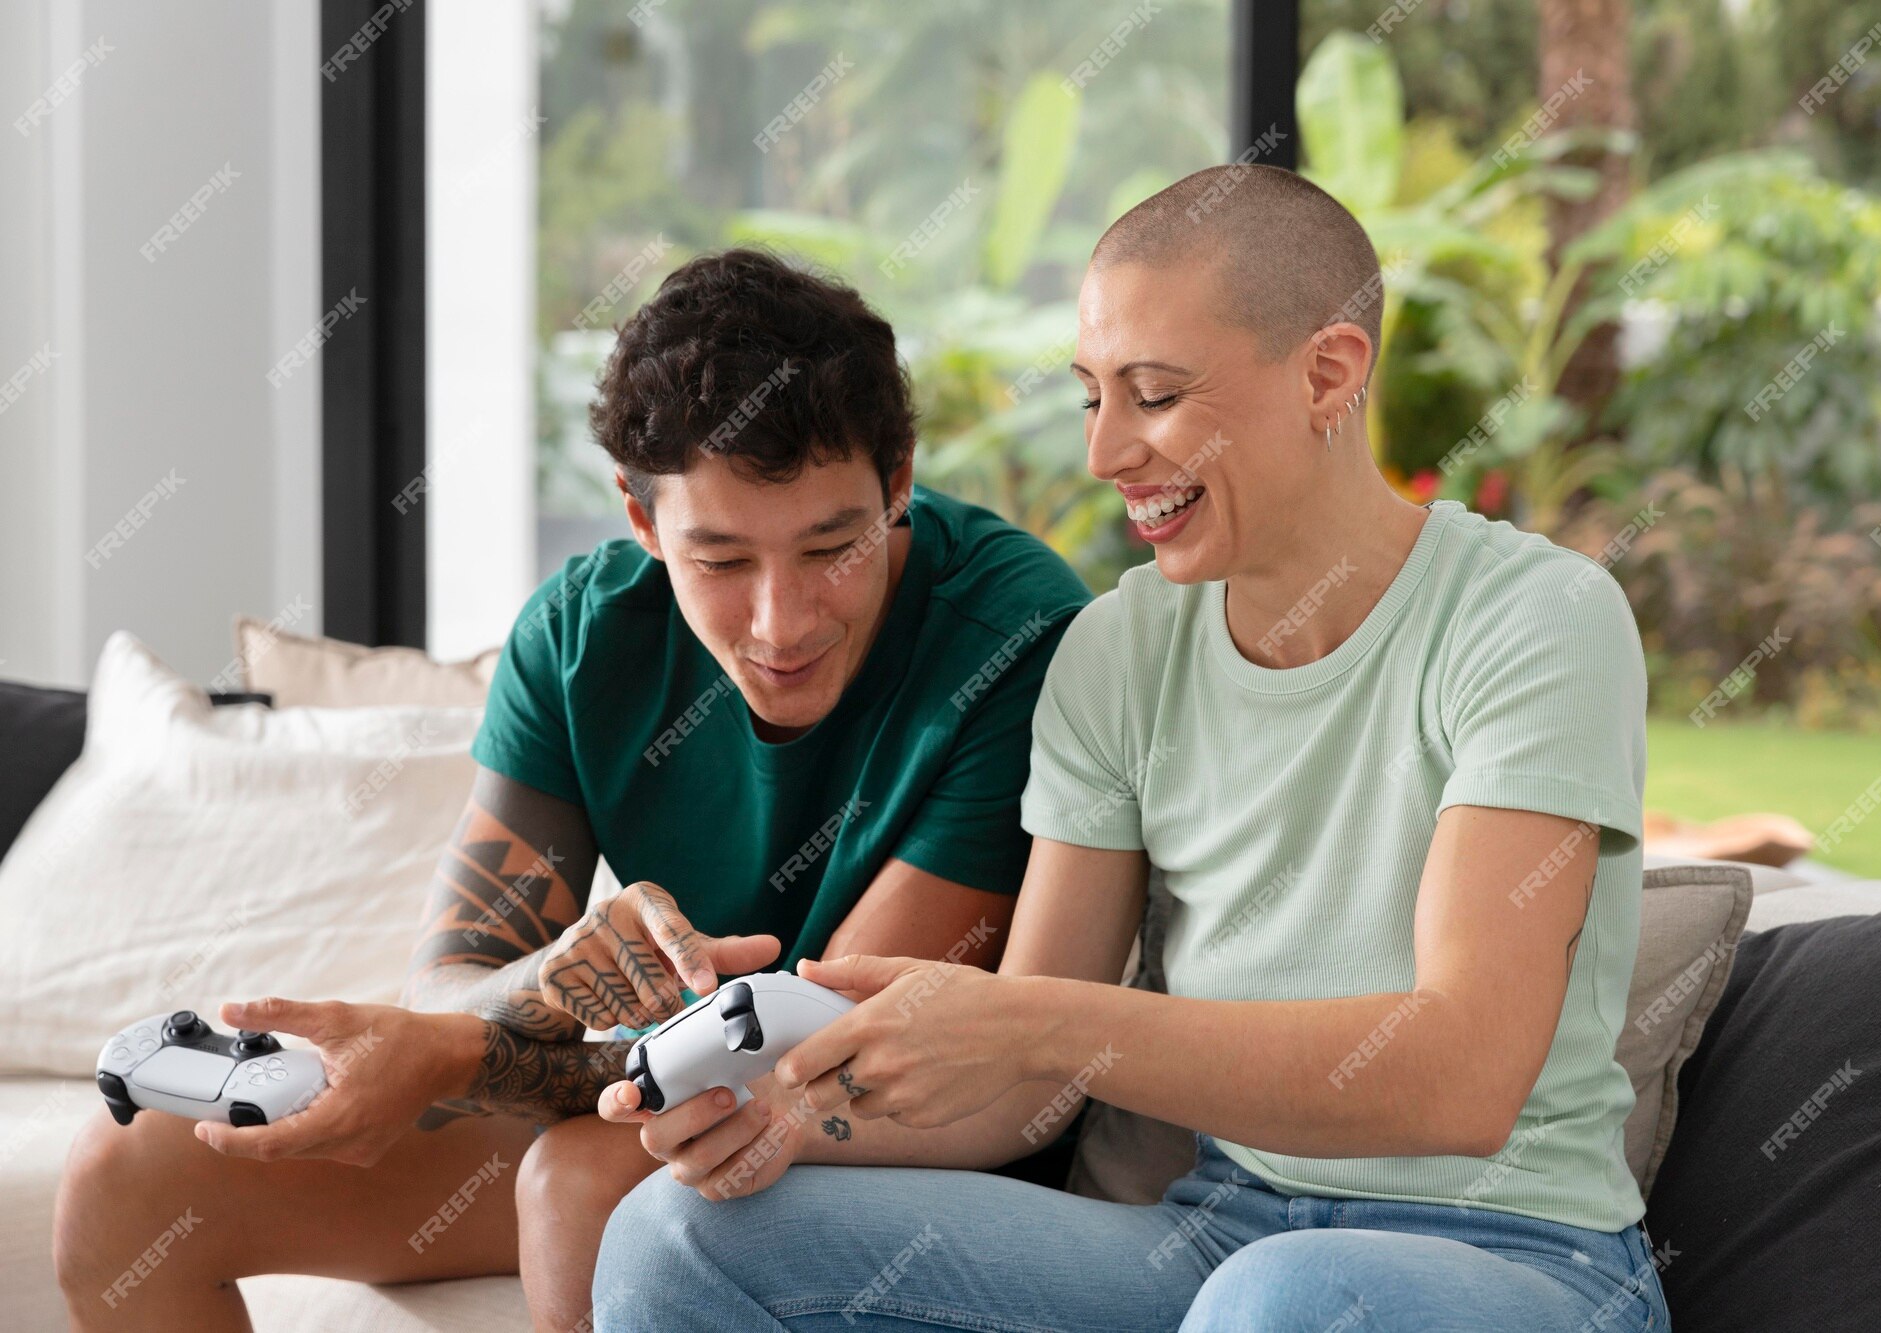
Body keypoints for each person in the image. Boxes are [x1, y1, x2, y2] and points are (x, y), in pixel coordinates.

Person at [585, 167, 1672, 1333]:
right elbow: (1027, 1084)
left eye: (1152, 395)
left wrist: (1032, 1020)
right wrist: (790, 1120)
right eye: (1091, 396)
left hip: (1515, 1260)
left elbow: (1461, 1076)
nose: (1107, 453)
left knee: (1280, 1304)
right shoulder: (1116, 652)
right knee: (676, 1240)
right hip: (1217, 1236)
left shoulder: (1532, 619)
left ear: (1328, 373)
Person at [52, 249, 1089, 1333]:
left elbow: (825, 1056)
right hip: (645, 1096)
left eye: (832, 546)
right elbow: (455, 981)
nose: (782, 623)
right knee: (131, 1174)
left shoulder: (1012, 638)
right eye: (721, 561)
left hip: (881, 1136)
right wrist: (551, 977)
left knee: (585, 1182)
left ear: (899, 480)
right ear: (643, 525)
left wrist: (497, 1032)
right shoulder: (583, 635)